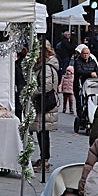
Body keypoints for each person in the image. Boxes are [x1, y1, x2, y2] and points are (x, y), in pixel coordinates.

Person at [32, 44, 60, 172]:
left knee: (43, 132)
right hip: (46, 102)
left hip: (45, 103)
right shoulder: (46, 65)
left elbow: (46, 86)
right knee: (42, 131)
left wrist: (33, 91)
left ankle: (45, 161)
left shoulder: (46, 67)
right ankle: (44, 158)